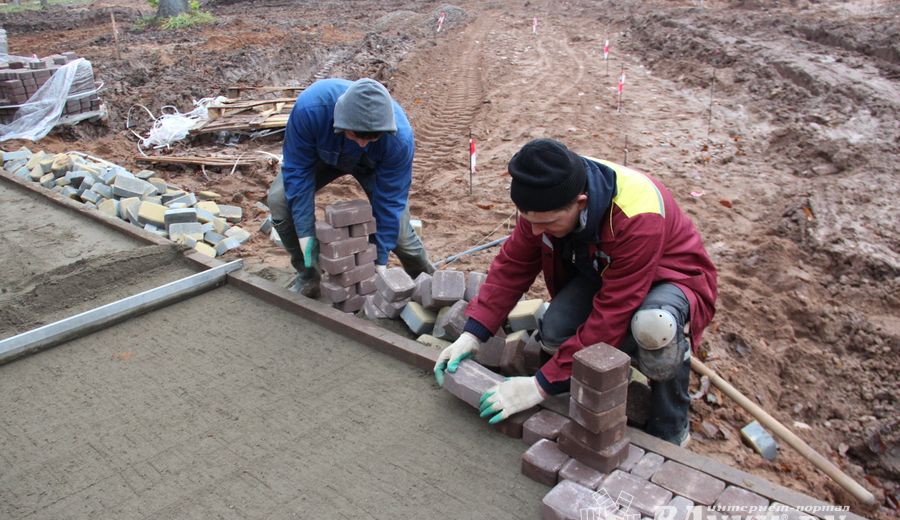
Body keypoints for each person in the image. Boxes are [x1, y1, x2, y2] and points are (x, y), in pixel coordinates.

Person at [434, 139, 717, 446]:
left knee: (653, 327)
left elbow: (613, 312)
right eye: (531, 223)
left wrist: (539, 387)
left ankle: (672, 426)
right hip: (608, 268)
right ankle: (620, 369)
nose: (537, 232)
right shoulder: (546, 192)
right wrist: (472, 334)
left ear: (581, 202)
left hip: (670, 277)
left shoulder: (638, 216)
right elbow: (513, 265)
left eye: (548, 224)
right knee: (555, 333)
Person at [267, 78, 434, 298]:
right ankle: (308, 276)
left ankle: (428, 285)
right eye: (356, 135)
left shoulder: (398, 139)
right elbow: (297, 177)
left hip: (372, 165)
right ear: (341, 123)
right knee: (279, 200)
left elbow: (390, 204)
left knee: (400, 233)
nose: (363, 143)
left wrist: (378, 264)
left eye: (372, 137)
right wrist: (307, 239)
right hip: (323, 156)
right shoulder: (310, 110)